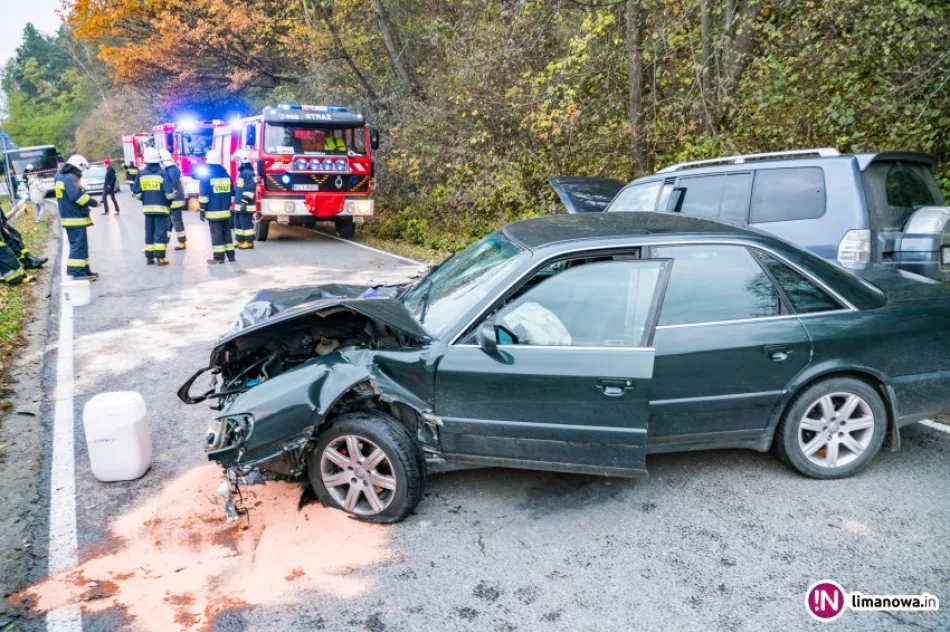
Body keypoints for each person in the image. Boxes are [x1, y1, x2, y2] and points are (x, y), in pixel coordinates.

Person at [55, 154, 99, 281]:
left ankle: (85, 270)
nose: (81, 173)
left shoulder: (60, 176)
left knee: (81, 246)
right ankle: (78, 273)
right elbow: (78, 197)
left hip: (71, 217)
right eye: (81, 170)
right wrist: (94, 202)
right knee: (78, 246)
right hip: (74, 217)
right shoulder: (69, 177)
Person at [131, 147, 175, 265]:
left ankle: (149, 257)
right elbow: (169, 194)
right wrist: (172, 196)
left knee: (149, 232)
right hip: (161, 209)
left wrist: (145, 198)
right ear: (158, 160)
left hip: (147, 209)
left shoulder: (141, 174)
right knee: (160, 232)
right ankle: (160, 257)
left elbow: (136, 193)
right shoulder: (163, 174)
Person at [198, 150, 235, 264]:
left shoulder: (206, 177)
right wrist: (229, 207)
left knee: (216, 234)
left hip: (212, 212)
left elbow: (204, 196)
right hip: (226, 212)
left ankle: (219, 257)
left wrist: (202, 210)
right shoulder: (227, 176)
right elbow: (232, 195)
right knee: (226, 232)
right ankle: (231, 256)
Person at [0, 204, 46, 270]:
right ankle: (27, 262)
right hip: (1, 227)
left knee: (17, 237)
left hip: (2, 223)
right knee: (12, 244)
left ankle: (30, 258)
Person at [160, 150, 187, 250]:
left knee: (176, 222)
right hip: (171, 200)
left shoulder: (172, 170)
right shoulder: (170, 169)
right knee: (168, 222)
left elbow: (171, 185)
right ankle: (164, 242)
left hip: (175, 200)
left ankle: (182, 242)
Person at [232, 150, 256, 249]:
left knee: (246, 223)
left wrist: (244, 203)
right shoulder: (242, 173)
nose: (237, 162)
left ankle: (249, 242)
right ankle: (239, 240)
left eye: (238, 160)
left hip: (246, 206)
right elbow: (239, 190)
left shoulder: (248, 173)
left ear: (243, 160)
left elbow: (250, 190)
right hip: (240, 205)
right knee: (238, 223)